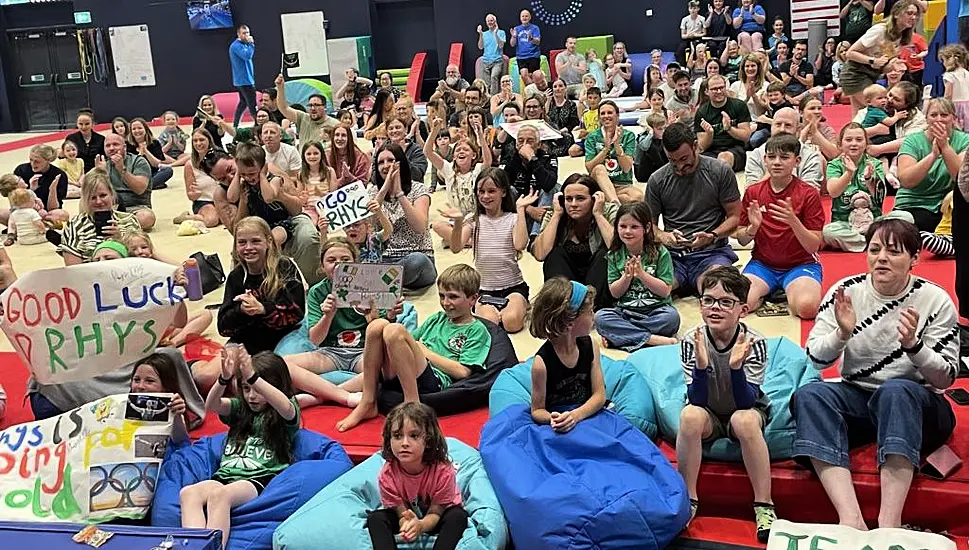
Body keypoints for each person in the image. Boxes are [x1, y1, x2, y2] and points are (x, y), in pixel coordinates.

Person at [794, 218, 957, 530]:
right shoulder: (846, 293)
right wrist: (842, 333)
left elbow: (946, 379)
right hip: (860, 398)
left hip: (919, 406)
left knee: (895, 390)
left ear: (914, 259)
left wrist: (915, 346)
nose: (881, 258)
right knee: (810, 395)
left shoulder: (935, 300)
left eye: (894, 251)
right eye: (875, 249)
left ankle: (889, 521)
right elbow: (814, 358)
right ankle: (851, 518)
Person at [677, 266, 776, 540]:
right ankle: (688, 499)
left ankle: (764, 504)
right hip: (709, 411)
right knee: (689, 416)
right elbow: (697, 399)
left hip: (745, 409)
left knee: (742, 420)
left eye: (725, 302)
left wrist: (735, 368)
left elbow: (747, 401)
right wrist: (700, 366)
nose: (715, 308)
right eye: (708, 300)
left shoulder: (754, 341)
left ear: (742, 310)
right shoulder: (691, 339)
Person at [337, 264, 492, 432]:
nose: (446, 303)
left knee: (394, 330)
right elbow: (402, 343)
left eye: (453, 297)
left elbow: (463, 372)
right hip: (404, 372)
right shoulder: (437, 319)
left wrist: (425, 352)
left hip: (434, 381)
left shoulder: (476, 330)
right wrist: (377, 318)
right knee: (377, 325)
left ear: (473, 299)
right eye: (441, 296)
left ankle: (413, 406)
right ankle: (368, 401)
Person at [180, 349, 300, 549]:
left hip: (257, 480)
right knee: (188, 493)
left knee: (220, 496)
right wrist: (224, 378)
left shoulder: (284, 412)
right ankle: (194, 547)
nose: (252, 396)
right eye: (246, 389)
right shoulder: (240, 409)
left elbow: (285, 407)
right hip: (225, 477)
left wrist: (253, 377)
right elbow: (212, 405)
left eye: (258, 390)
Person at [283, 237, 401, 408]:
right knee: (283, 365)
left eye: (345, 260)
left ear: (356, 263)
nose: (338, 264)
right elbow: (315, 340)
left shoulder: (372, 286)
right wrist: (328, 316)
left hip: (364, 352)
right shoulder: (318, 292)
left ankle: (323, 398)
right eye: (331, 260)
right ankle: (345, 395)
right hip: (330, 352)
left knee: (392, 368)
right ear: (322, 267)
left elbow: (380, 336)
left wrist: (375, 317)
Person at [646, 122, 742, 294]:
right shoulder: (657, 180)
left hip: (712, 253)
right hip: (673, 256)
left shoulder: (719, 172)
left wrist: (712, 236)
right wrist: (663, 236)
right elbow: (648, 226)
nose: (680, 167)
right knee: (652, 292)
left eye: (684, 159)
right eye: (672, 161)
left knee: (716, 291)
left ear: (696, 146)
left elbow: (735, 217)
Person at [735, 134, 824, 319]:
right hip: (762, 265)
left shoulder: (808, 194)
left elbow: (813, 246)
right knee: (738, 305)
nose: (777, 162)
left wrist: (793, 221)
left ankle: (786, 290)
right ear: (764, 160)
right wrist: (753, 227)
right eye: (772, 157)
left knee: (807, 309)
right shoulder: (753, 192)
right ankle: (767, 292)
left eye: (784, 157)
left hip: (801, 264)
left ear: (796, 161)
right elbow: (742, 240)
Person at [367, 403, 468, 550]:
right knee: (376, 519)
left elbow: (436, 512)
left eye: (413, 436)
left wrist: (420, 525)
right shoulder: (387, 475)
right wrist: (407, 525)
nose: (405, 443)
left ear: (427, 440)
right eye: (397, 436)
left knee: (458, 516)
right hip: (408, 517)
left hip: (437, 516)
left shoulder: (443, 471)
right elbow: (400, 512)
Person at [445, 168, 530, 333]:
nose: (485, 196)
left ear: (503, 192)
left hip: (513, 286)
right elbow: (456, 247)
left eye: (491, 191)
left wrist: (520, 210)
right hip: (484, 289)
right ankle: (500, 311)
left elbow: (520, 244)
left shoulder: (512, 218)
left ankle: (519, 307)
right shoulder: (474, 219)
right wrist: (457, 223)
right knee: (489, 325)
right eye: (481, 192)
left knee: (512, 323)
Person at [216, 216, 306, 361]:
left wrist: (263, 309)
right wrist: (241, 311)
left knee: (274, 369)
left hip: (286, 336)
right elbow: (223, 328)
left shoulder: (284, 267)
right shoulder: (236, 277)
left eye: (256, 241)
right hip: (249, 338)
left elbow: (297, 313)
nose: (248, 248)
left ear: (269, 242)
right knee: (208, 375)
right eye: (242, 242)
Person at [595, 201, 679, 350]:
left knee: (672, 318)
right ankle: (650, 339)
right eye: (623, 226)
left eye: (634, 227)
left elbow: (665, 290)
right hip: (626, 313)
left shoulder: (661, 253)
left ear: (646, 228)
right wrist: (626, 277)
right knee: (600, 318)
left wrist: (642, 275)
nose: (628, 231)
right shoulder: (614, 255)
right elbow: (615, 293)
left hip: (657, 311)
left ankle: (623, 338)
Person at [529, 277, 606, 432]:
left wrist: (575, 416)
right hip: (559, 423)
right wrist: (554, 419)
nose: (594, 315)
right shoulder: (541, 364)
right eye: (590, 311)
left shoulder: (591, 345)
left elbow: (599, 395)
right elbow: (537, 410)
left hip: (586, 414)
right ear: (570, 322)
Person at [532, 174, 617, 310]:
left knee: (605, 255)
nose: (573, 204)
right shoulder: (555, 212)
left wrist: (598, 215)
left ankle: (594, 308)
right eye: (568, 199)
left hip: (597, 281)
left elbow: (617, 250)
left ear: (594, 199)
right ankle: (563, 307)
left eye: (580, 199)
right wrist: (557, 215)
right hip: (568, 280)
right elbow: (540, 254)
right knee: (554, 255)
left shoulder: (607, 211)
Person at [896, 98, 969, 232]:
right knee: (915, 221)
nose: (939, 119)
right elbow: (906, 180)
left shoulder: (965, 140)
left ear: (953, 118)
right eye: (934, 115)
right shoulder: (912, 141)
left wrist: (945, 147)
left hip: (947, 204)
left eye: (944, 115)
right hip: (915, 204)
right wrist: (933, 156)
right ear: (927, 119)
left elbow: (961, 180)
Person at [370, 144, 437, 291]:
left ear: (400, 163)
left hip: (415, 258)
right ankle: (386, 284)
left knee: (417, 261)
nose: (386, 166)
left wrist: (399, 193)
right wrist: (384, 189)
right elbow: (369, 226)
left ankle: (377, 284)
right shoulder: (373, 192)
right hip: (384, 259)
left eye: (390, 160)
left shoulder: (419, 189)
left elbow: (420, 227)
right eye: (381, 162)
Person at [839, 0, 922, 114]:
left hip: (872, 74)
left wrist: (892, 65)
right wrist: (872, 61)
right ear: (896, 14)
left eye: (915, 14)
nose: (913, 17)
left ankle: (855, 131)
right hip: (855, 73)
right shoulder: (880, 30)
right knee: (878, 109)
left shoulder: (902, 37)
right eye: (909, 13)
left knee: (860, 114)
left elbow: (883, 67)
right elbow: (850, 53)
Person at [824, 123, 892, 251]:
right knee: (828, 232)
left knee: (905, 217)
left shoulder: (875, 164)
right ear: (840, 144)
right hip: (845, 224)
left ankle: (868, 241)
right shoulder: (834, 165)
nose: (854, 143)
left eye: (859, 140)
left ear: (866, 144)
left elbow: (881, 197)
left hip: (874, 222)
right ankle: (873, 243)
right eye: (848, 140)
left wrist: (869, 179)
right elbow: (833, 192)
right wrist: (848, 173)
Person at [229, 142, 305, 247]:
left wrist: (262, 176)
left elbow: (268, 198)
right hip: (258, 225)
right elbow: (231, 198)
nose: (247, 178)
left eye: (252, 174)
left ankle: (273, 260)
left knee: (272, 240)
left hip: (280, 223)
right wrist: (238, 174)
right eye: (243, 174)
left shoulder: (274, 180)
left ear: (262, 167)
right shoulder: (244, 184)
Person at [427, 118, 491, 242]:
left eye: (466, 150)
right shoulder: (448, 169)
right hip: (456, 219)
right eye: (458, 150)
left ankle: (461, 241)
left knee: (483, 226)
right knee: (437, 226)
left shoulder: (477, 169)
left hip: (476, 218)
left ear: (473, 156)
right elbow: (428, 151)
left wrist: (481, 137)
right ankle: (467, 241)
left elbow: (488, 161)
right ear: (454, 156)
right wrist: (434, 130)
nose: (461, 151)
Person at [58, 169, 140, 265]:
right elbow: (74, 270)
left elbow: (141, 259)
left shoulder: (129, 221)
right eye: (92, 198)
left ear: (112, 194)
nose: (99, 202)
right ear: (85, 200)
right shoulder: (74, 226)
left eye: (103, 195)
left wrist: (120, 240)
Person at [745, 107, 824, 189]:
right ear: (771, 127)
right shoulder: (756, 154)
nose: (782, 129)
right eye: (778, 124)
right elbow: (749, 193)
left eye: (788, 125)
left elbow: (811, 194)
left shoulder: (810, 156)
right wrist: (770, 174)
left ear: (798, 130)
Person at [585, 101, 640, 203]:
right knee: (599, 168)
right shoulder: (592, 137)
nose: (606, 116)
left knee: (638, 197)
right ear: (599, 117)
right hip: (599, 183)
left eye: (610, 112)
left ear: (617, 115)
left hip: (621, 184)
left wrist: (617, 145)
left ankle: (607, 199)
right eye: (603, 113)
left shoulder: (628, 135)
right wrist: (605, 149)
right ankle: (615, 204)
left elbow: (626, 168)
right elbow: (589, 168)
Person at [695, 75, 752, 172]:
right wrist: (709, 134)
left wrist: (730, 129)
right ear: (706, 92)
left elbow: (746, 136)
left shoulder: (739, 105)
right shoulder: (702, 112)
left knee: (723, 158)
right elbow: (702, 146)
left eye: (721, 87)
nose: (719, 91)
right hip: (711, 151)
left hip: (735, 149)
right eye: (714, 89)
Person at [97, 133, 153, 230]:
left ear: (124, 147)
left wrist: (122, 169)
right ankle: (122, 226)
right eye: (108, 146)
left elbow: (140, 189)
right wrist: (101, 173)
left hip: (136, 208)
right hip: (112, 208)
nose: (111, 148)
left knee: (147, 218)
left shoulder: (138, 161)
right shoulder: (104, 165)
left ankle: (114, 227)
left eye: (115, 144)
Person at [130, 352, 191, 442]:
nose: (140, 386)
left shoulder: (174, 409)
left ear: (166, 385)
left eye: (149, 381)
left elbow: (180, 443)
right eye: (136, 380)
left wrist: (177, 416)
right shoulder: (121, 407)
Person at [11, 144, 69, 225]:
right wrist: (31, 190)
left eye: (37, 161)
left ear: (48, 160)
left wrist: (52, 190)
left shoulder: (59, 175)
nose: (32, 164)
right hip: (24, 211)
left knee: (62, 214)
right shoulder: (21, 170)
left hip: (47, 213)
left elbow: (53, 208)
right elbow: (14, 201)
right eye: (31, 160)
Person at [275, 74, 340, 147]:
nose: (313, 108)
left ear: (324, 107)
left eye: (316, 105)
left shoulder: (335, 124)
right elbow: (284, 108)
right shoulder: (303, 118)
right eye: (310, 105)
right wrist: (280, 88)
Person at [176, 128, 222, 228]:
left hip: (223, 199)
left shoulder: (221, 160)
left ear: (209, 140)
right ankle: (187, 217)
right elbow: (190, 195)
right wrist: (194, 194)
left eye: (201, 140)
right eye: (195, 141)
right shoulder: (189, 165)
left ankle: (219, 215)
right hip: (204, 201)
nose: (198, 143)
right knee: (211, 221)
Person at [128, 118, 174, 190]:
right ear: (131, 131)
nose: (137, 131)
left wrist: (146, 151)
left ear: (145, 129)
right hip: (134, 176)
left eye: (140, 128)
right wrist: (140, 154)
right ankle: (149, 185)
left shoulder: (154, 143)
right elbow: (129, 166)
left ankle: (145, 187)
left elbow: (156, 164)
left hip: (151, 174)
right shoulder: (127, 145)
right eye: (134, 129)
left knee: (168, 170)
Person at [296, 141, 335, 221]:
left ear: (321, 154)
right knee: (310, 221)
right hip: (309, 208)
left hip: (326, 207)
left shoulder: (329, 172)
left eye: (316, 153)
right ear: (304, 156)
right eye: (309, 154)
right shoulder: (301, 174)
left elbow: (335, 196)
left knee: (326, 220)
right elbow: (299, 198)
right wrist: (303, 199)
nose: (312, 156)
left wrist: (322, 194)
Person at [229, 24, 257, 126]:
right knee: (252, 104)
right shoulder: (236, 46)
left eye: (248, 33)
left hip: (245, 79)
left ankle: (235, 125)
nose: (246, 35)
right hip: (244, 80)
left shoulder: (244, 44)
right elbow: (247, 56)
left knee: (243, 103)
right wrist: (251, 44)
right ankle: (259, 125)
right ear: (238, 34)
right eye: (244, 33)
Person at [329, 124, 372, 189]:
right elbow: (325, 184)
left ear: (349, 138)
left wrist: (349, 177)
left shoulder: (361, 157)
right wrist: (343, 179)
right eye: (337, 135)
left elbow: (363, 185)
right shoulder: (326, 155)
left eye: (343, 135)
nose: (340, 138)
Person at [65, 109, 105, 173]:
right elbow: (65, 158)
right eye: (80, 124)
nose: (83, 127)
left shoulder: (101, 139)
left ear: (93, 124)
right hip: (76, 174)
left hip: (96, 173)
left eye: (87, 124)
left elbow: (105, 158)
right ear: (77, 124)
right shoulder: (70, 138)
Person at [940, 44, 969, 131]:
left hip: (955, 106)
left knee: (955, 129)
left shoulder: (950, 75)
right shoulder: (966, 73)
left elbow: (948, 94)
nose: (943, 63)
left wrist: (943, 106)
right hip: (967, 105)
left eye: (943, 60)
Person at [510, 9, 542, 86]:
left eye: (526, 16)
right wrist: (514, 37)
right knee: (524, 75)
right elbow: (512, 44)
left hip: (533, 55)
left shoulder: (535, 28)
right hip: (521, 57)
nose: (524, 18)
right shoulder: (517, 29)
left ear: (530, 17)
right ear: (520, 18)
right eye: (523, 16)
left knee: (533, 77)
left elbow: (538, 42)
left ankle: (534, 93)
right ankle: (533, 92)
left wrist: (531, 39)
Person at [478, 14, 507, 94]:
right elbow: (480, 47)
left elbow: (501, 46)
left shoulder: (501, 32)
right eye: (488, 21)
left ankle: (493, 97)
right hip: (486, 61)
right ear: (486, 22)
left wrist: (496, 33)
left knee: (494, 76)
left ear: (495, 21)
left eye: (491, 20)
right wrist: (480, 34)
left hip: (497, 61)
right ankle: (487, 97)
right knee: (486, 83)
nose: (490, 22)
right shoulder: (484, 34)